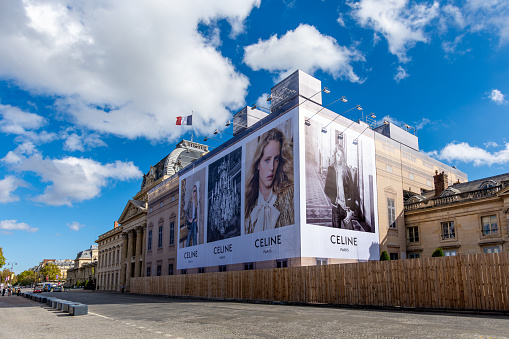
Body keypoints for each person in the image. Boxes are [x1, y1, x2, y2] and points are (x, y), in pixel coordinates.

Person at [245, 127, 294, 234]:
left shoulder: (290, 196)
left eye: (276, 159)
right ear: (258, 163)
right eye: (267, 160)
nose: (272, 167)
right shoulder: (249, 209)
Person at [325, 144, 354, 229]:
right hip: (336, 208)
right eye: (338, 155)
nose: (339, 158)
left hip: (346, 209)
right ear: (335, 155)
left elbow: (352, 191)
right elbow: (327, 189)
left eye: (341, 156)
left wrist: (351, 211)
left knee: (351, 234)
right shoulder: (331, 169)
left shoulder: (347, 170)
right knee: (336, 233)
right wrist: (337, 200)